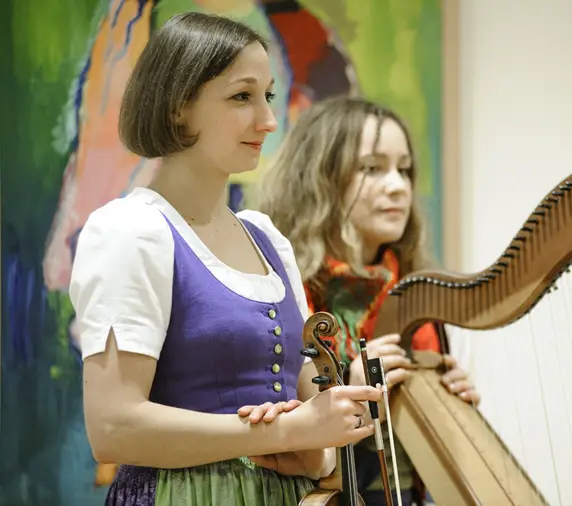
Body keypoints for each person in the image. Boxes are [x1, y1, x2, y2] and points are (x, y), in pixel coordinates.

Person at [69, 13, 381, 506]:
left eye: (268, 96)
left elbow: (305, 418)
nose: (268, 120)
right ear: (177, 108)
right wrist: (277, 435)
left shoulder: (266, 238)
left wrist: (321, 447)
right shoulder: (132, 231)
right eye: (242, 96)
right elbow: (113, 428)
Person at [254, 96, 481, 505]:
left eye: (404, 170)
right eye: (372, 168)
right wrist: (350, 387)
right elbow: (266, 443)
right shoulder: (281, 294)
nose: (398, 186)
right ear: (320, 177)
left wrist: (453, 407)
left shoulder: (420, 303)